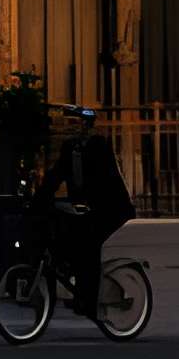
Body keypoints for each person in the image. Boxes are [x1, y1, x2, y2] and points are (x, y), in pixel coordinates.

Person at [34, 107, 135, 319]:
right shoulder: (70, 147)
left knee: (88, 244)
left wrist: (85, 205)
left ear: (87, 127)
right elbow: (56, 174)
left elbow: (104, 181)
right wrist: (40, 197)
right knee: (67, 236)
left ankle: (89, 303)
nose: (73, 129)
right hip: (87, 206)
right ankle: (78, 286)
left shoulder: (98, 145)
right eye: (71, 125)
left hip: (111, 207)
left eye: (78, 125)